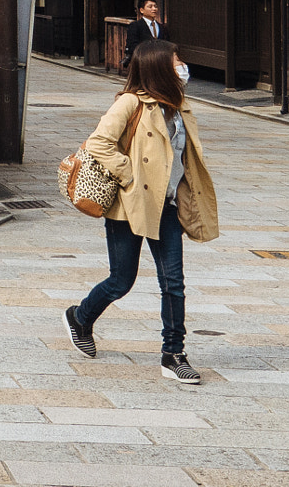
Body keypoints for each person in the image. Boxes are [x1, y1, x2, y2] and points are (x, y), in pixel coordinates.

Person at [62, 39, 220, 385]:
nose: (182, 65)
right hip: (129, 206)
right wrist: (130, 173)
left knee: (173, 283)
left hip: (168, 207)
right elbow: (98, 141)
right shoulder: (131, 102)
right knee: (121, 281)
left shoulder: (178, 105)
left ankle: (173, 353)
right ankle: (80, 317)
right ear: (159, 65)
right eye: (177, 59)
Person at [122, 0, 168, 70]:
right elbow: (132, 44)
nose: (154, 9)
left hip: (159, 62)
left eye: (155, 6)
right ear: (141, 10)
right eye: (150, 7)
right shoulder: (136, 25)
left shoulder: (161, 27)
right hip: (142, 62)